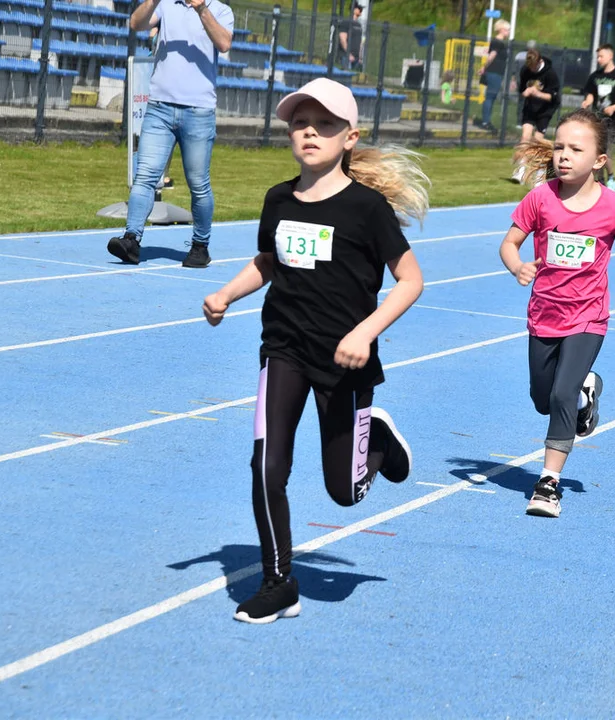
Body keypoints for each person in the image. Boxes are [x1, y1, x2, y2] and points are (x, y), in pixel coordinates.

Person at [201, 78, 426, 622]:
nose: (309, 132)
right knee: (266, 466)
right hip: (283, 347)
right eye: (301, 123)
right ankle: (279, 581)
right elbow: (269, 262)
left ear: (349, 137)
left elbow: (411, 280)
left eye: (324, 125)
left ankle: (382, 445)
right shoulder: (278, 199)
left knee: (344, 493)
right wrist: (227, 293)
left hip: (345, 360)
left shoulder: (366, 209)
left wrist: (363, 333)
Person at [501, 108, 615, 518]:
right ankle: (586, 394)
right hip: (544, 314)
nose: (563, 155)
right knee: (543, 399)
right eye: (559, 146)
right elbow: (509, 244)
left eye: (575, 149)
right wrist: (518, 266)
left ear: (599, 160)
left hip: (588, 317)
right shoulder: (540, 198)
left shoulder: (614, 207)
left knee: (560, 393)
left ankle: (548, 483)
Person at [107, 0, 233, 269]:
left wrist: (201, 9)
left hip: (198, 112)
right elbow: (135, 24)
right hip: (159, 109)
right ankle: (131, 240)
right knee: (145, 175)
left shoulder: (221, 10)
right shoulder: (165, 4)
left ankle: (200, 246)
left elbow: (224, 43)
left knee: (198, 183)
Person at [580, 43, 615, 191]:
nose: (599, 59)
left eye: (601, 56)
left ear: (610, 56)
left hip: (613, 120)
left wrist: (614, 107)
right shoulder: (595, 76)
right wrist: (587, 102)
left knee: (605, 150)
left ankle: (611, 176)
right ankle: (600, 181)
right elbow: (590, 94)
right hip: (597, 119)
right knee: (596, 150)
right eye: (598, 56)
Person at [511, 47, 560, 183]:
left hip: (545, 109)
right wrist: (525, 92)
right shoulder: (525, 71)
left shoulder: (550, 73)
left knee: (537, 142)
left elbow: (552, 97)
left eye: (534, 67)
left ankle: (539, 173)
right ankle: (520, 170)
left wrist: (536, 92)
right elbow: (522, 89)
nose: (531, 70)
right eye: (530, 67)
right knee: (525, 137)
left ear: (539, 62)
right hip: (530, 107)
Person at [476, 19, 509, 133]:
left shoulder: (500, 43)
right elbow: (491, 56)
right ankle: (485, 122)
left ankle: (487, 120)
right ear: (501, 29)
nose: (508, 32)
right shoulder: (497, 42)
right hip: (494, 72)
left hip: (497, 73)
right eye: (506, 29)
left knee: (492, 96)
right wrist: (484, 67)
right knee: (490, 96)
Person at [337, 4, 363, 72]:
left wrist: (360, 57)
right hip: (346, 56)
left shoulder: (359, 25)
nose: (360, 10)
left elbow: (360, 42)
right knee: (345, 76)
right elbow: (343, 39)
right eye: (358, 8)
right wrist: (349, 54)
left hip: (356, 57)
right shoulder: (345, 22)